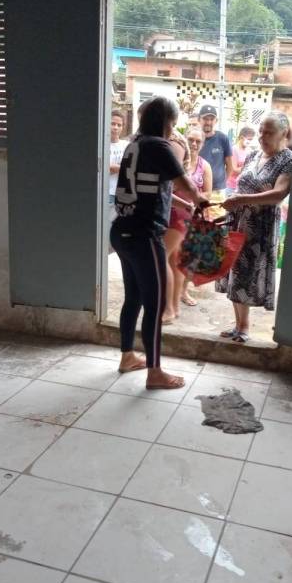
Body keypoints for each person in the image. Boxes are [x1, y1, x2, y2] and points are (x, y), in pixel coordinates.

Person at [110, 96, 206, 390]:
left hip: (122, 231)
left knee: (134, 298)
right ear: (167, 121)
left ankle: (128, 356)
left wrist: (184, 204)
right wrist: (200, 199)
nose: (173, 129)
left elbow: (154, 185)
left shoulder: (136, 144)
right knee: (156, 303)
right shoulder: (159, 145)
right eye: (173, 123)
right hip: (145, 236)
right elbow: (185, 182)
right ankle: (155, 372)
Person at [217, 111, 292, 343]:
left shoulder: (288, 160)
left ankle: (244, 327)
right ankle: (237, 324)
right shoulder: (253, 155)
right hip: (237, 221)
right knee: (233, 273)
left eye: (269, 132)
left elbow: (278, 194)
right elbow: (240, 185)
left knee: (246, 275)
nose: (262, 136)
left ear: (284, 133)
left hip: (259, 227)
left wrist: (241, 199)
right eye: (261, 131)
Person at [163, 126, 213, 318]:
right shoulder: (177, 159)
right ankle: (172, 305)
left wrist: (191, 196)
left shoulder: (204, 166)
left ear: (203, 144)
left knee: (176, 260)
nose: (194, 143)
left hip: (186, 214)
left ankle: (172, 304)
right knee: (175, 261)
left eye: (198, 141)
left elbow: (207, 193)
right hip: (171, 211)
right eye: (191, 139)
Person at [199, 104, 233, 218]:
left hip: (217, 192)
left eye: (211, 119)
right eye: (205, 118)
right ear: (199, 119)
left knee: (217, 223)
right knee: (196, 223)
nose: (208, 122)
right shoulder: (195, 139)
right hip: (198, 191)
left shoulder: (222, 138)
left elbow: (230, 166)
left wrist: (222, 183)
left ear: (216, 121)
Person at [227, 126, 257, 195]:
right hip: (232, 186)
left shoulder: (249, 150)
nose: (250, 141)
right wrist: (249, 168)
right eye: (249, 139)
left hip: (244, 187)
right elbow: (234, 169)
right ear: (241, 137)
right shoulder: (234, 150)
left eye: (251, 139)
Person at [109, 110, 129, 204]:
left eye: (119, 125)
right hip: (105, 192)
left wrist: (114, 167)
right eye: (113, 124)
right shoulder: (100, 146)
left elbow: (131, 169)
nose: (115, 127)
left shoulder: (127, 145)